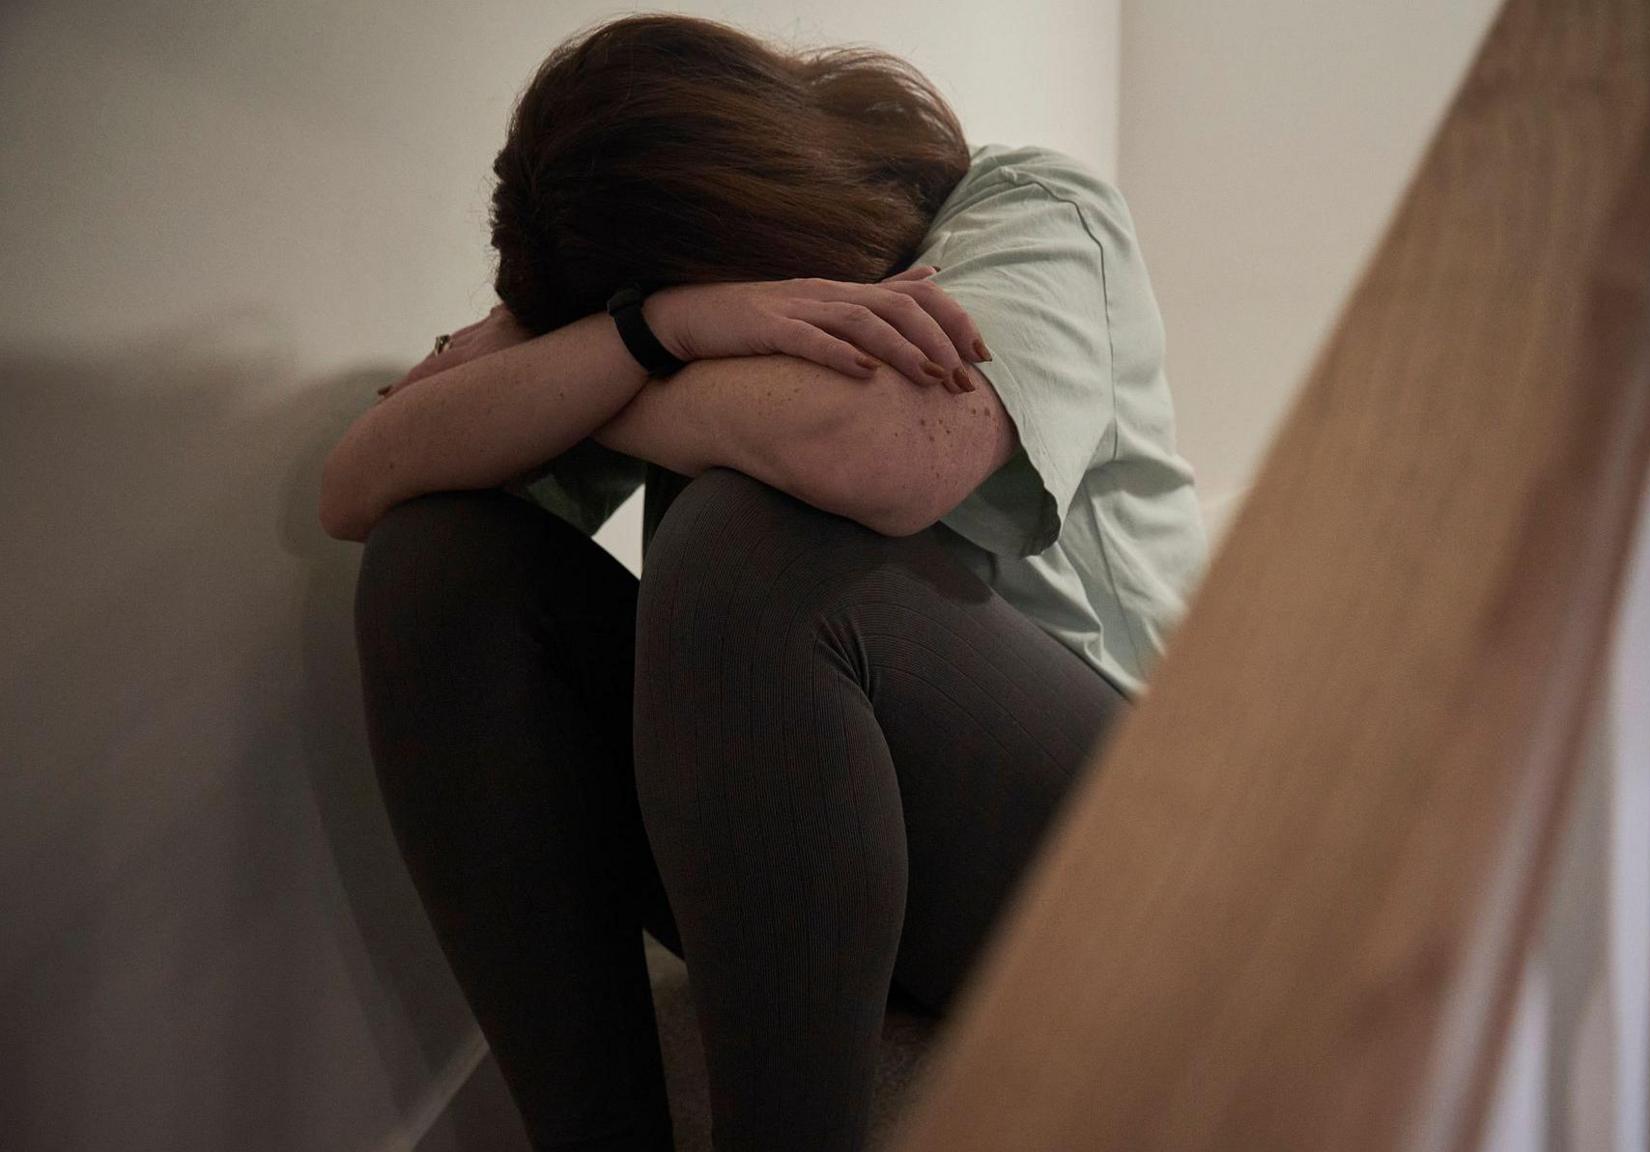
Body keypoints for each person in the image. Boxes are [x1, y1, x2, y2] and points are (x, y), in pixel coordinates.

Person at [319, 14, 1206, 1152]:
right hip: (853, 850)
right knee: (436, 566)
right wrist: (656, 331)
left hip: (1130, 847)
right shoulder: (685, 315)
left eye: (678, 306)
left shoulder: (1031, 207)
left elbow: (886, 456)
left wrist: (607, 369)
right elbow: (357, 488)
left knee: (751, 539)